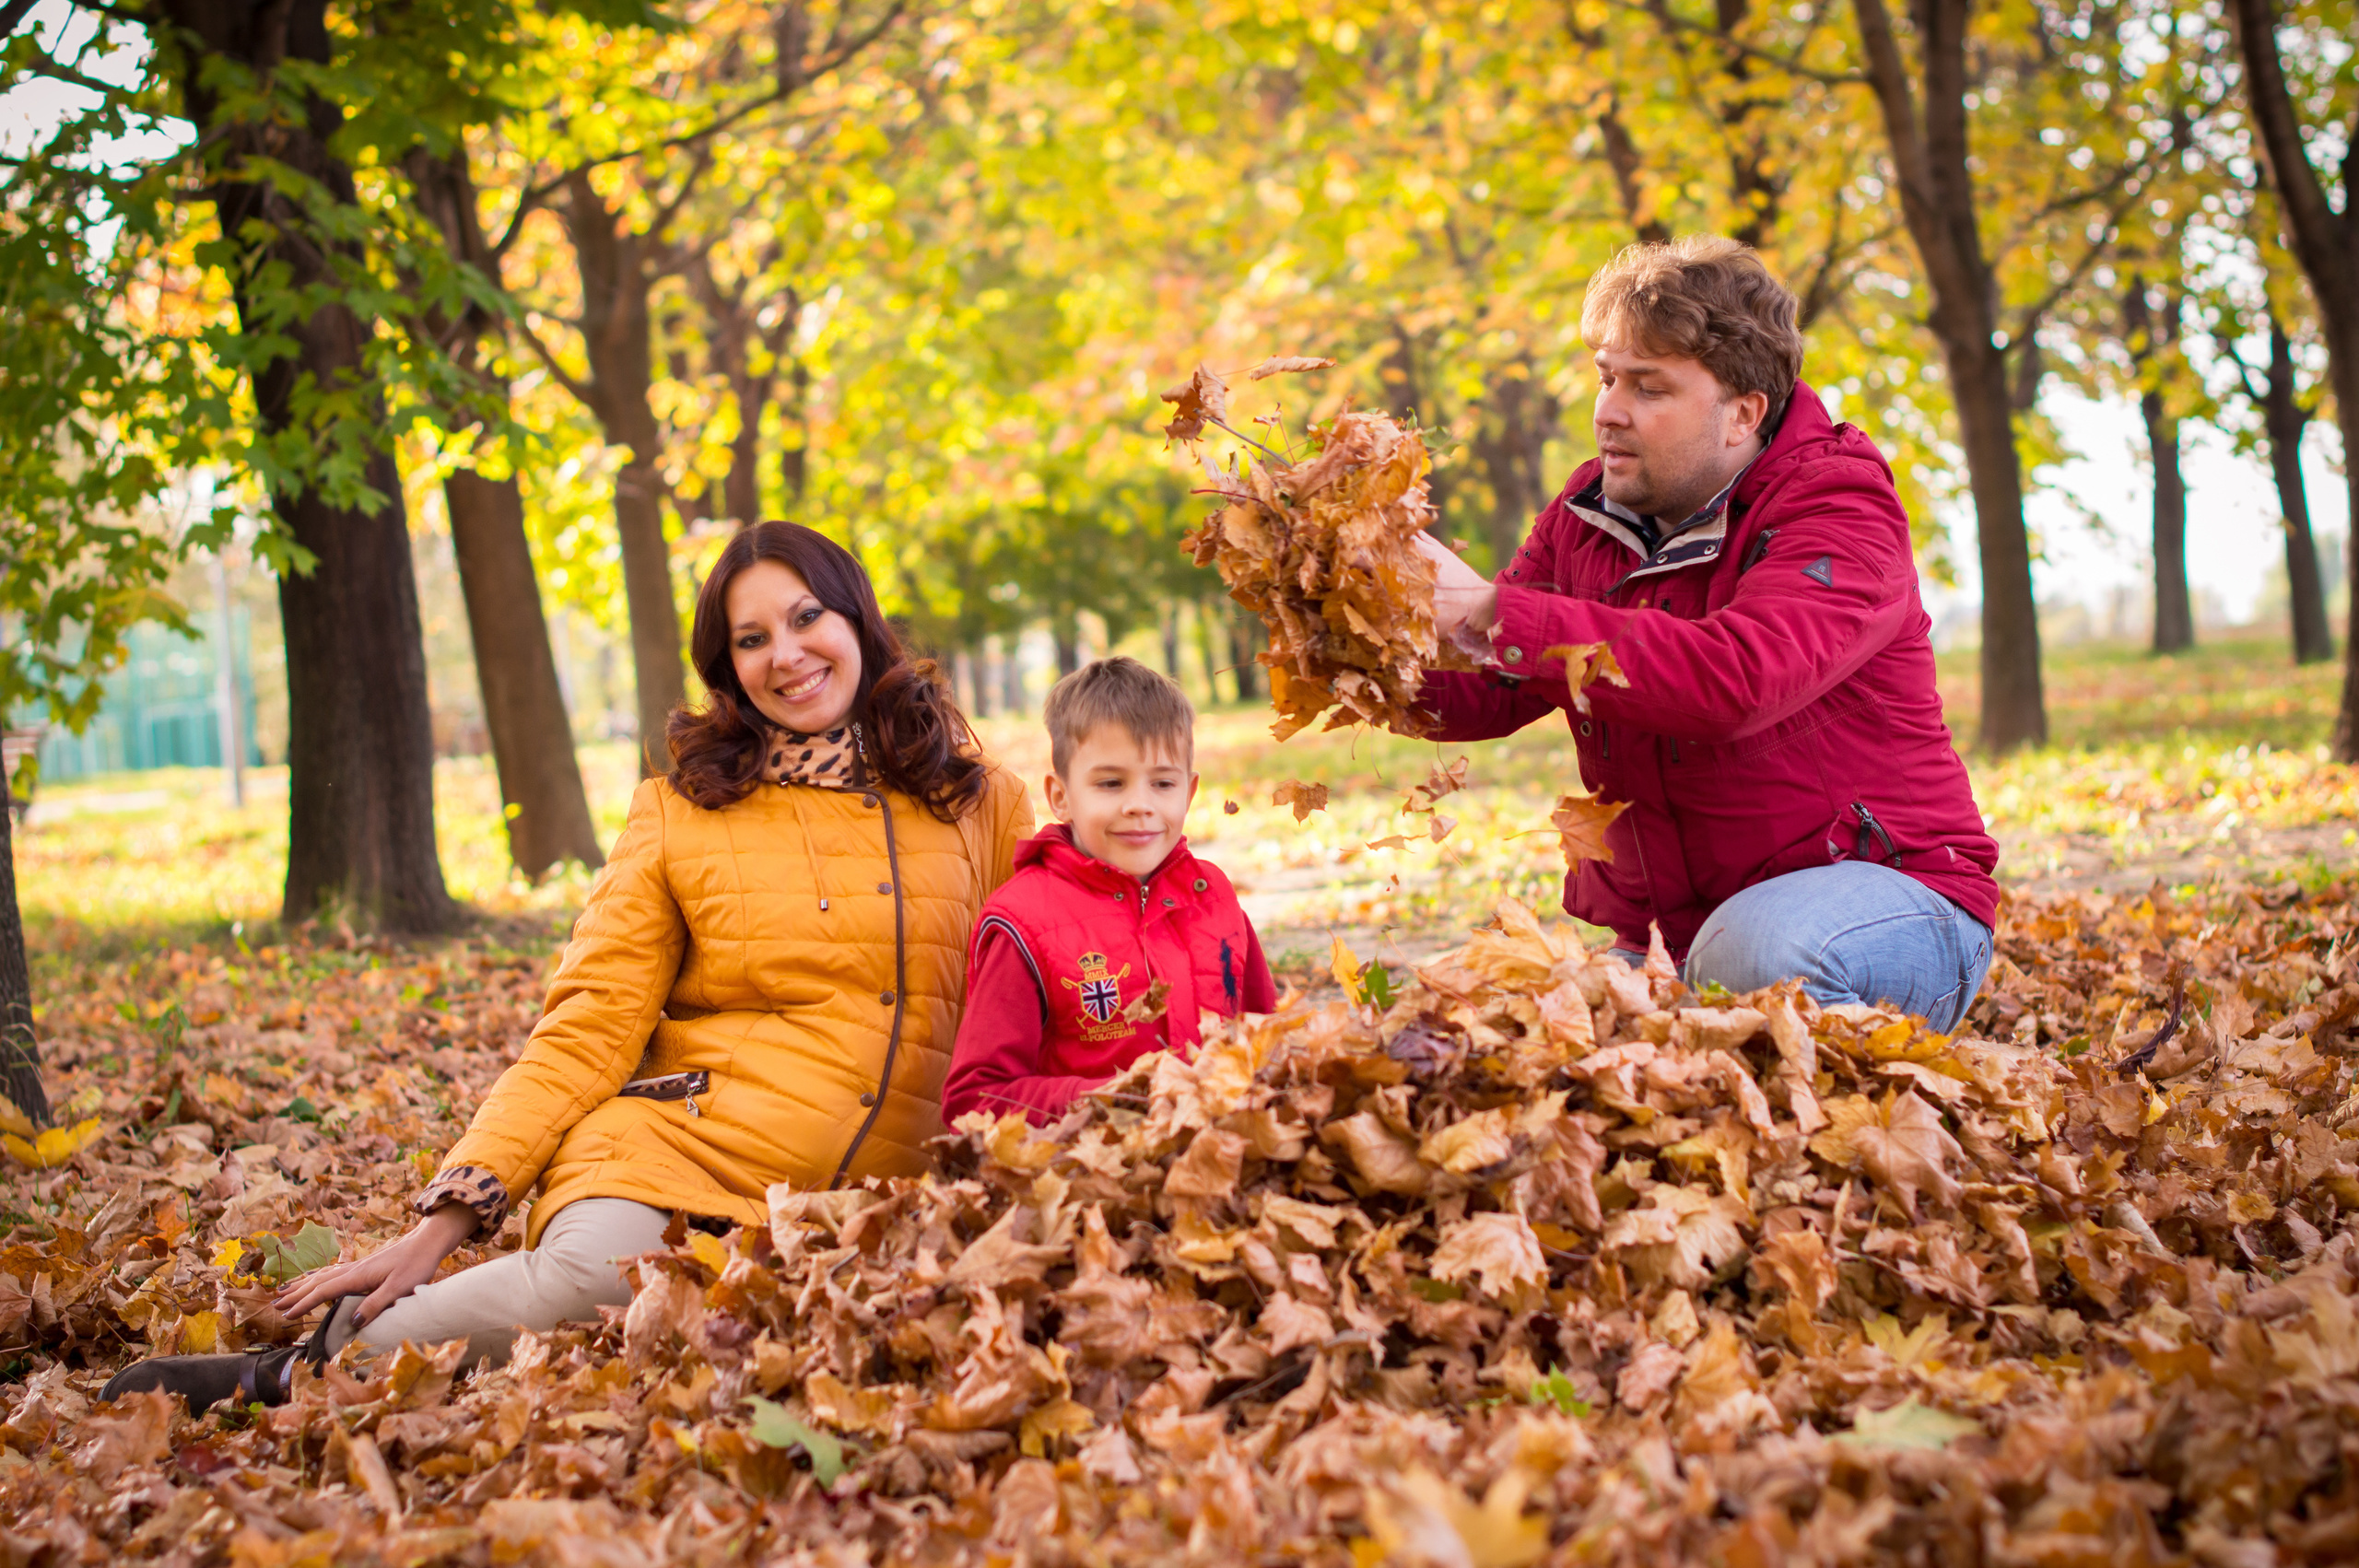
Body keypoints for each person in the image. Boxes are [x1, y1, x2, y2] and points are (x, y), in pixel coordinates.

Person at [104, 522, 1032, 1407]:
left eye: (804, 617)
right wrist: (443, 1222)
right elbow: (587, 1026)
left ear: (855, 617)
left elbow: (1055, 963)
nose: (785, 654)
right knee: (587, 1284)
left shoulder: (976, 800)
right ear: (729, 669)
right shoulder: (680, 814)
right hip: (678, 1153)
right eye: (751, 639)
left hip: (876, 1190)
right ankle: (295, 1369)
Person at [1410, 236, 1999, 1029]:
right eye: (1606, 377)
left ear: (1742, 413)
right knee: (1491, 1024)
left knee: (1754, 959)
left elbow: (1737, 679)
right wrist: (1356, 631)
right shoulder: (1589, 513)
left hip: (1894, 905)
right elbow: (1487, 690)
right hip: (1676, 934)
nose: (1608, 410)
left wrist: (1490, 610)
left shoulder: (1840, 507)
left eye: (1648, 387)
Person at [940, 657, 1276, 1125]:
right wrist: (1120, 1100)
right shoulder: (1022, 922)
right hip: (1093, 1183)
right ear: (1061, 796)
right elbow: (975, 1099)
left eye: (1162, 783)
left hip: (1222, 1167)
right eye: (1111, 783)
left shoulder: (1213, 896)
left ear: (1190, 791)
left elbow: (1269, 1037)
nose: (1139, 805)